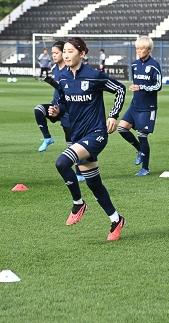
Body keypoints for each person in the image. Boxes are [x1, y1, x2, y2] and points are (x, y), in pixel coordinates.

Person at [48, 37, 127, 241]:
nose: (66, 54)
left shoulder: (94, 76)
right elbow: (64, 104)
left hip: (96, 135)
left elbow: (120, 89)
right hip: (78, 136)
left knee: (62, 162)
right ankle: (116, 219)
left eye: (70, 51)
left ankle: (78, 203)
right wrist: (56, 111)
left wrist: (113, 115)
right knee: (94, 184)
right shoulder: (63, 78)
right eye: (64, 51)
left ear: (82, 54)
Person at [34, 41, 85, 180]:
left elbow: (67, 89)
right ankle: (47, 138)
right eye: (53, 53)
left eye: (56, 53)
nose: (54, 56)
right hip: (56, 106)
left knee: (72, 142)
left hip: (67, 108)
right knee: (39, 110)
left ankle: (80, 173)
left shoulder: (70, 70)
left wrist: (52, 83)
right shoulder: (55, 68)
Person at [117, 36, 162, 176]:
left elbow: (158, 85)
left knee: (142, 136)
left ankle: (145, 168)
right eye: (137, 48)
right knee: (121, 128)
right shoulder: (135, 65)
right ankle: (138, 149)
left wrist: (141, 87)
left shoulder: (154, 65)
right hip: (135, 105)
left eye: (142, 49)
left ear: (149, 50)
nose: (139, 51)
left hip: (147, 107)